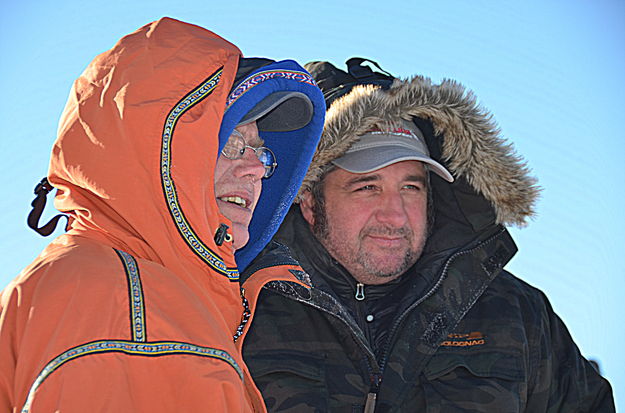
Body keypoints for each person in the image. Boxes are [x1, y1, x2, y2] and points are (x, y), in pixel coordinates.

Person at [240, 58, 615, 412]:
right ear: (307, 199)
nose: (395, 214)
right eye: (367, 188)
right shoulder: (241, 303)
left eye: (411, 187)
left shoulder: (515, 314)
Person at [0, 18, 325, 412]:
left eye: (262, 152)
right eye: (231, 143)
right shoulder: (124, 309)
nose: (256, 169)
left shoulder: (135, 290)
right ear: (155, 151)